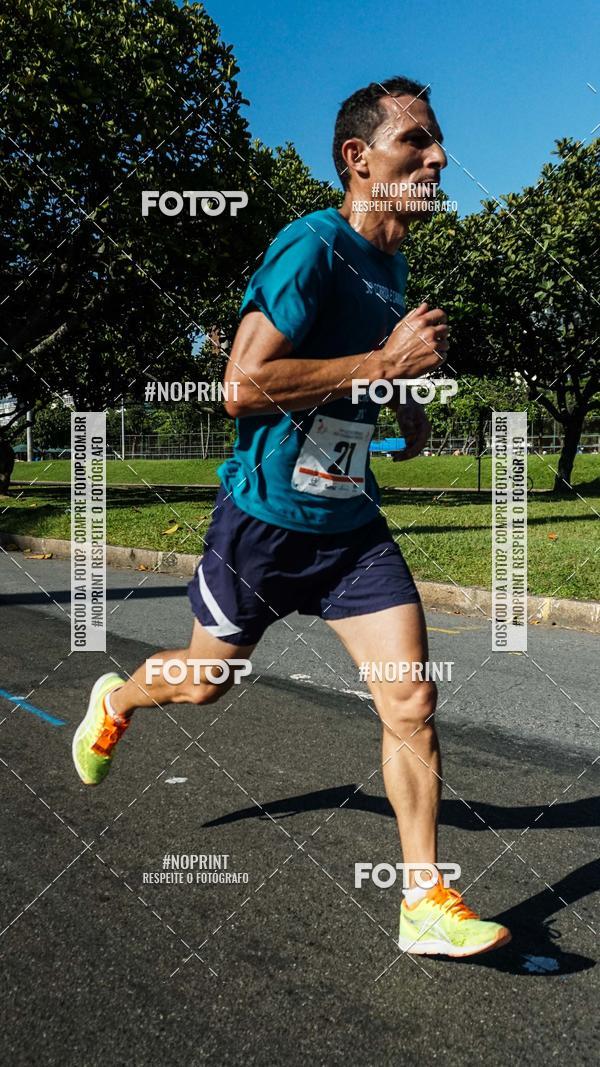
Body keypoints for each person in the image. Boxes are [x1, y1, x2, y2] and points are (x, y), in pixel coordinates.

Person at [73, 76, 511, 958]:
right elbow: (240, 386)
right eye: (415, 142)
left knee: (412, 696)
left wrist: (404, 397)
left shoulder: (391, 268)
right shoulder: (309, 248)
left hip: (350, 530)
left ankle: (423, 900)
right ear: (358, 159)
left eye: (437, 143)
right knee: (206, 681)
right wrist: (382, 363)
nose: (438, 158)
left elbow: (365, 369)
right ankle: (116, 698)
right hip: (265, 522)